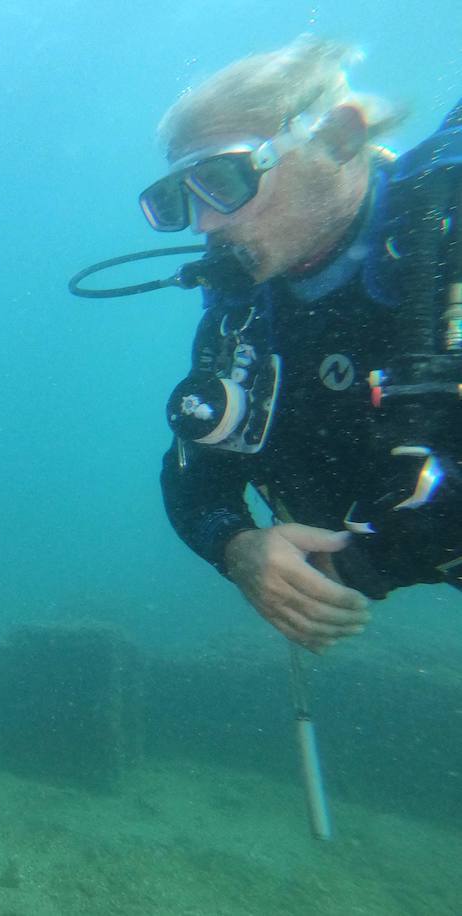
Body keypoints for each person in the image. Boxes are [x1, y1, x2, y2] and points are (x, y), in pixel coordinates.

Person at [144, 36, 462, 652]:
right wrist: (236, 546)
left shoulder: (446, 245)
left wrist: (363, 565)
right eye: (179, 199)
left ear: (340, 138)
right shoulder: (246, 311)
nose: (204, 223)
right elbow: (193, 477)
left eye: (221, 179)